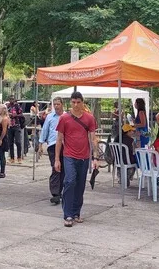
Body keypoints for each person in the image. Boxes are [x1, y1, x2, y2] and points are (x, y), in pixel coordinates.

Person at [54, 91, 97, 227]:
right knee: (70, 181)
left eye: (78, 102)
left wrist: (95, 157)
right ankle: (67, 213)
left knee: (80, 185)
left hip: (84, 157)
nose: (76, 105)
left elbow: (93, 138)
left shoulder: (89, 118)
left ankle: (76, 212)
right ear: (70, 102)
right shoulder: (64, 118)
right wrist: (57, 159)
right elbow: (59, 139)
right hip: (69, 156)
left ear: (82, 102)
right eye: (73, 102)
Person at [40, 97, 64, 204]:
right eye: (55, 104)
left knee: (64, 169)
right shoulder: (50, 117)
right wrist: (40, 144)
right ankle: (55, 193)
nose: (56, 106)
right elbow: (44, 131)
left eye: (58, 104)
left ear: (62, 104)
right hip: (53, 145)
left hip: (65, 145)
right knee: (55, 168)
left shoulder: (67, 117)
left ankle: (61, 191)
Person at [6, 96, 24, 164]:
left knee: (18, 142)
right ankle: (12, 158)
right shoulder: (7, 106)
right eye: (10, 99)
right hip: (10, 126)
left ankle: (19, 157)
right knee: (10, 143)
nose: (11, 100)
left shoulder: (17, 106)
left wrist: (15, 115)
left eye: (12, 99)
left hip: (16, 125)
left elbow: (21, 114)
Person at [0, 104, 10, 178]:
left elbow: (4, 130)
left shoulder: (4, 119)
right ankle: (0, 170)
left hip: (3, 138)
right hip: (0, 137)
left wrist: (0, 139)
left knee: (1, 155)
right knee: (0, 154)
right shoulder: (1, 118)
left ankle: (2, 171)